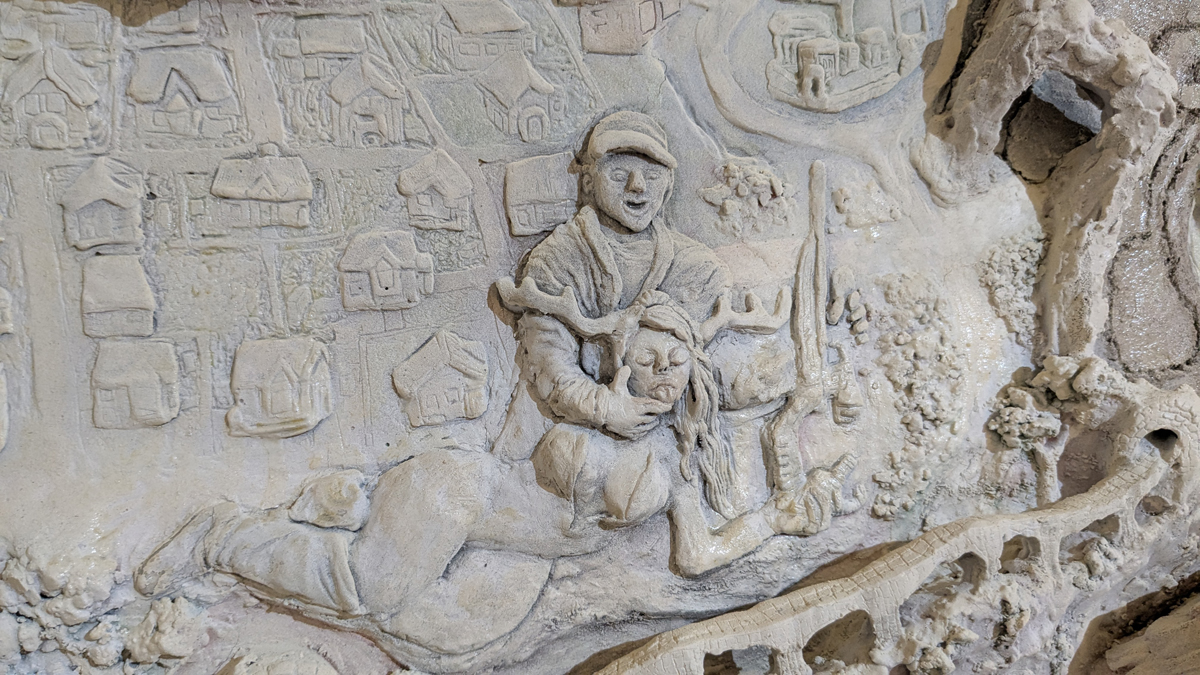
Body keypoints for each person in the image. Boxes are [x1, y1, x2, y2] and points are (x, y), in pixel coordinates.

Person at [134, 297, 854, 654]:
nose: (663, 373)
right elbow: (539, 390)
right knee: (367, 589)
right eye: (647, 358)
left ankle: (329, 511)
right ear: (620, 361)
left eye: (676, 361)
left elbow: (697, 555)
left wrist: (774, 519)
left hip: (492, 542)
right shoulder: (576, 406)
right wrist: (600, 411)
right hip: (458, 493)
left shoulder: (677, 461)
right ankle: (220, 537)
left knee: (393, 606)